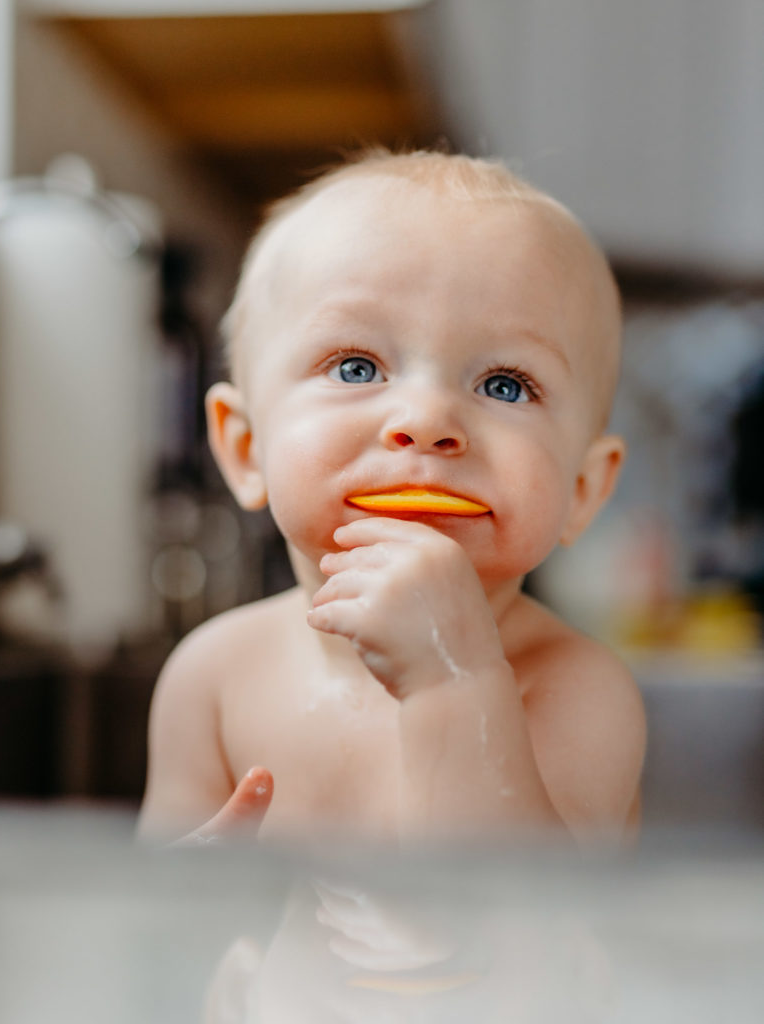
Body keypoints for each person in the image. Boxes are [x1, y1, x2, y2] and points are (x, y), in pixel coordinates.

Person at [137, 149, 646, 849]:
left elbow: (531, 925)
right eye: (356, 367)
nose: (428, 420)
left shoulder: (579, 692)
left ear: (583, 491)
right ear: (246, 449)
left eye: (505, 384)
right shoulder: (213, 678)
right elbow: (157, 939)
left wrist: (455, 678)